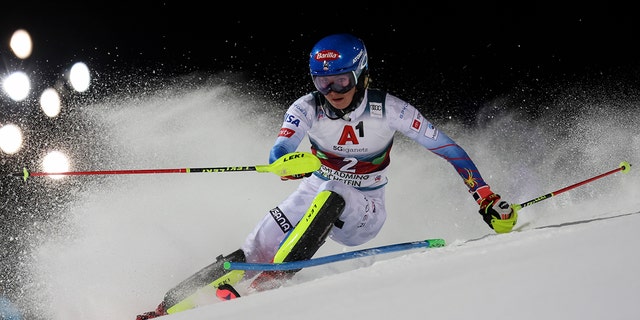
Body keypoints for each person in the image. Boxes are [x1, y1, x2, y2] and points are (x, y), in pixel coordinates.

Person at [136, 33, 518, 319]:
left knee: (333, 187)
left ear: (361, 74)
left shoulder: (391, 110)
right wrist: (284, 162)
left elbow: (448, 148)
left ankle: (266, 285)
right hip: (315, 190)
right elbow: (281, 146)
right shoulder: (306, 107)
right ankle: (167, 306)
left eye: (340, 80)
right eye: (322, 81)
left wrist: (483, 195)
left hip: (365, 208)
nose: (331, 90)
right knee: (255, 246)